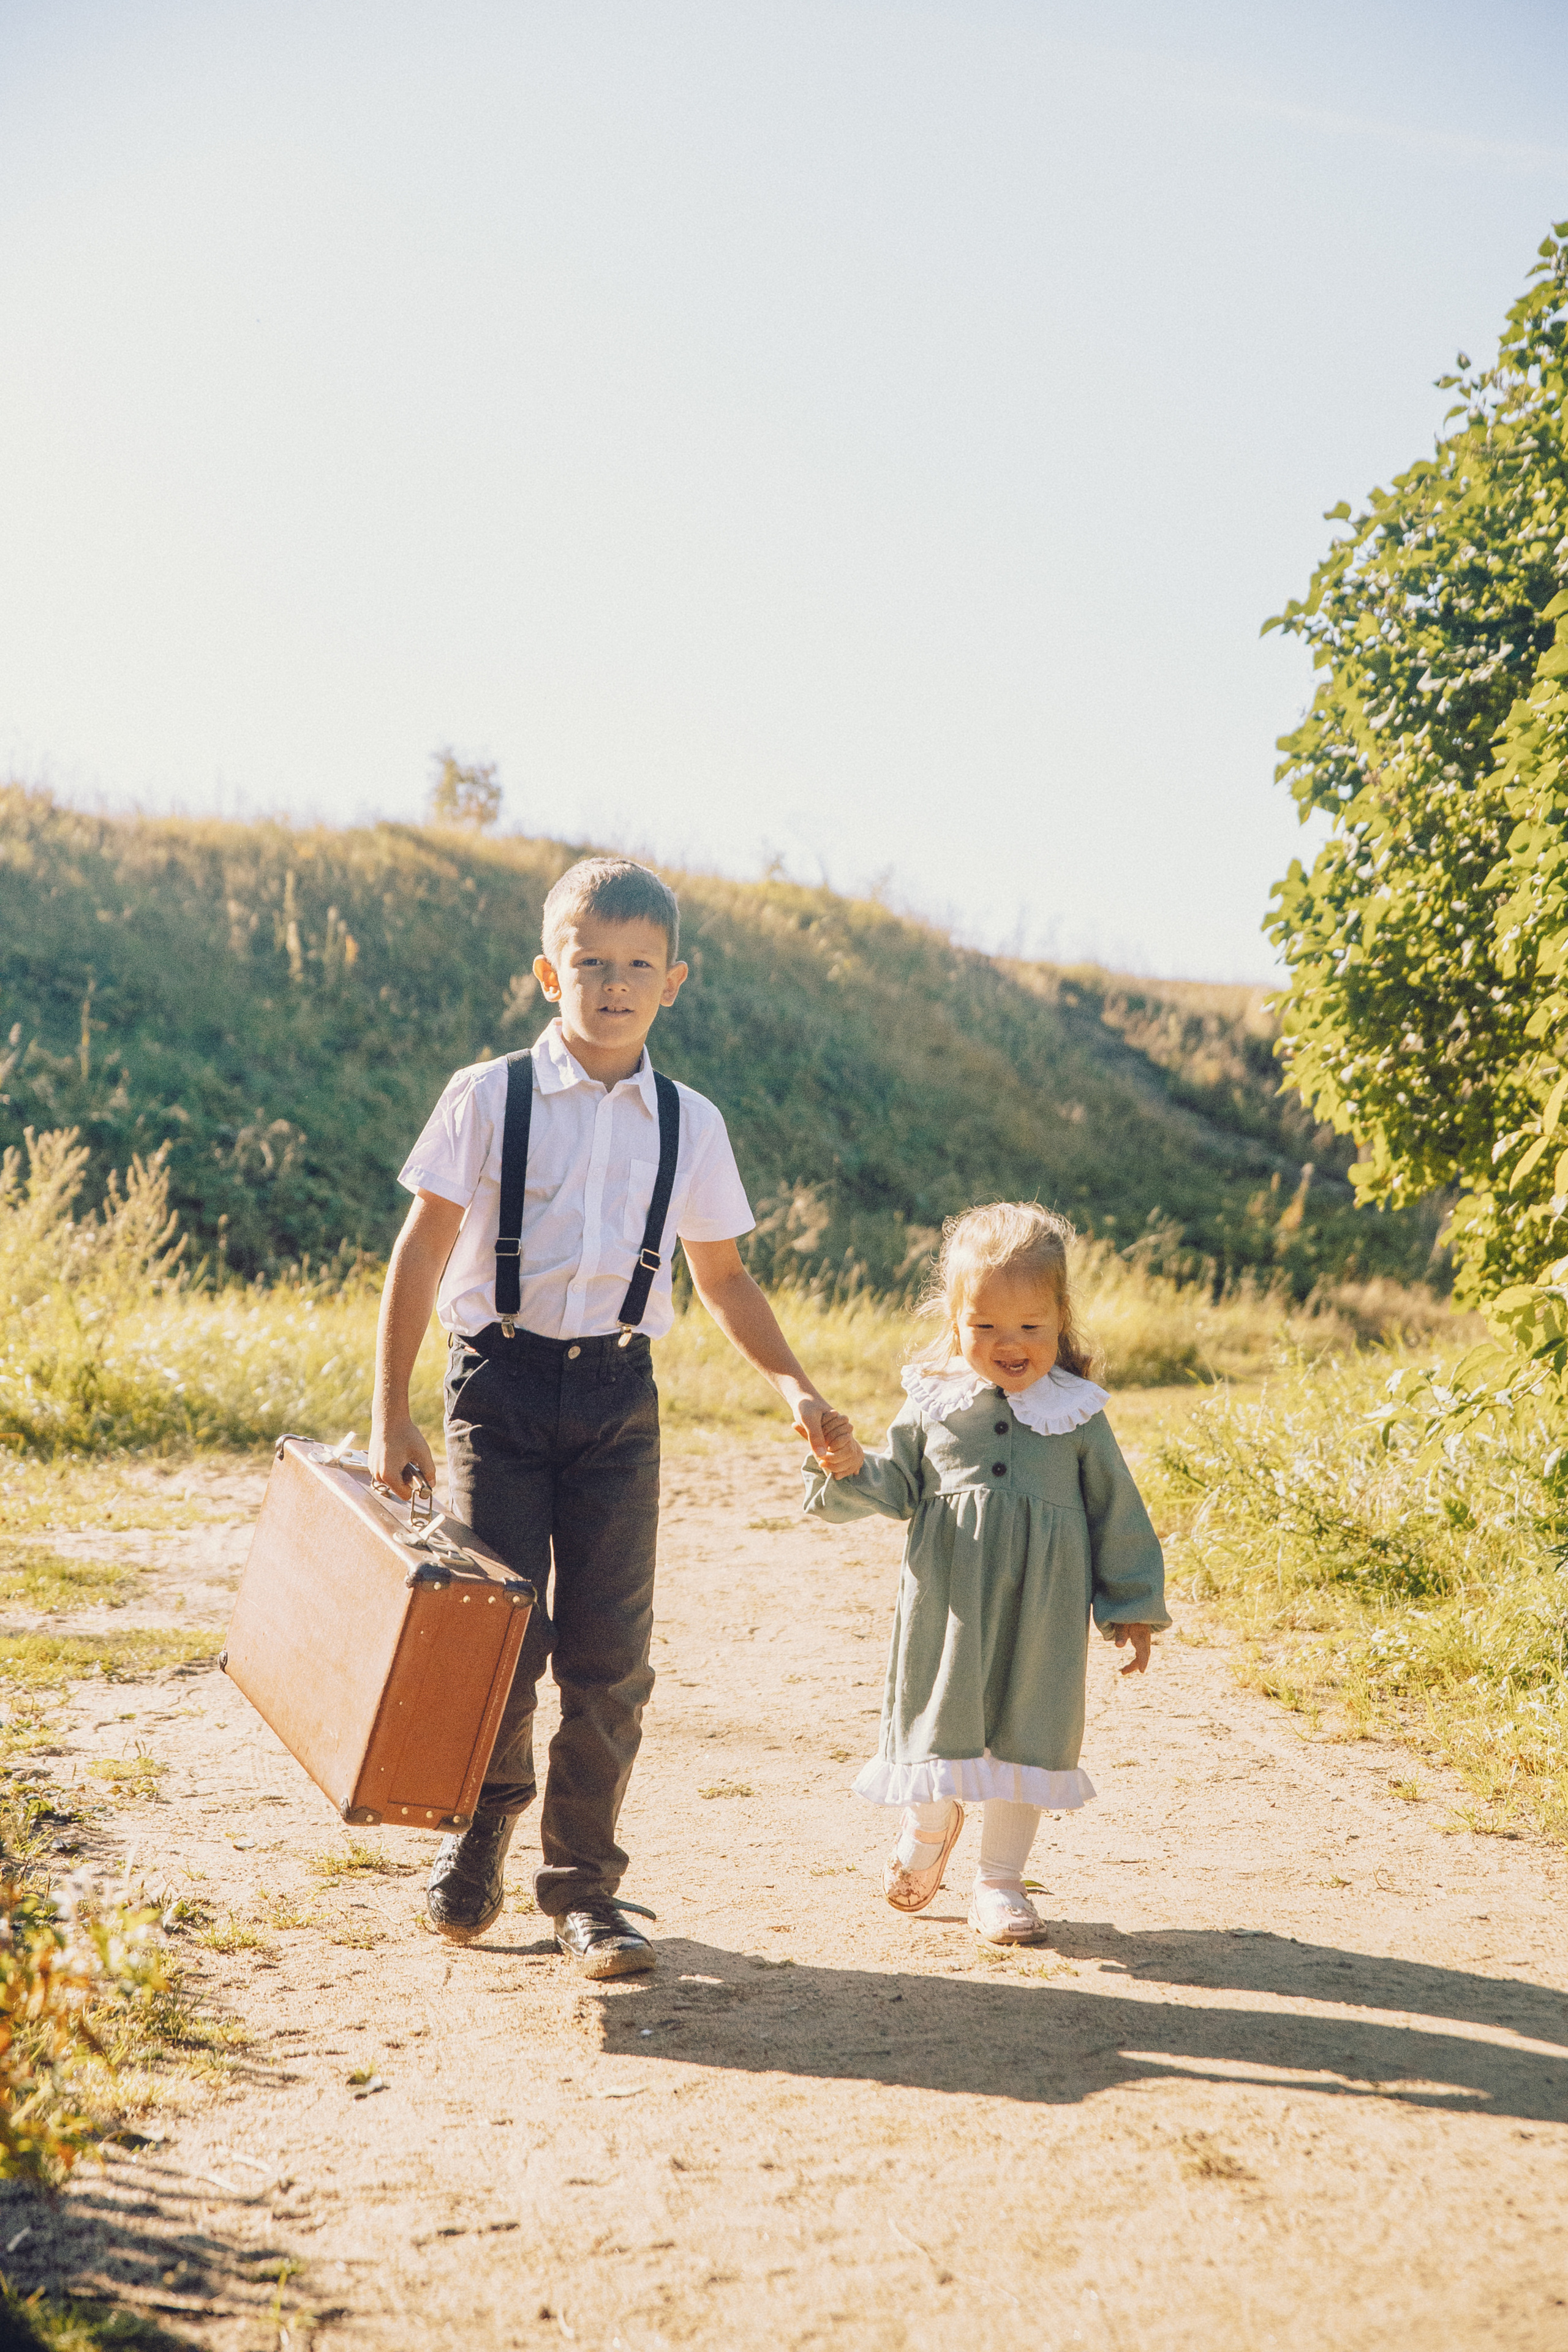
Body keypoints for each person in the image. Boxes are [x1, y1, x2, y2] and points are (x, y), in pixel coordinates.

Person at [370, 857, 835, 1978]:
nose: (614, 985)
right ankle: (479, 1833)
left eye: (638, 966)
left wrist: (795, 1385)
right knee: (498, 1640)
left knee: (608, 1660)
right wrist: (392, 1413)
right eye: (592, 964)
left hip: (620, 1399)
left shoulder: (691, 1121)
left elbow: (722, 1278)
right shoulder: (488, 1096)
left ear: (676, 981)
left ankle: (585, 1889)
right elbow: (423, 1248)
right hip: (499, 1389)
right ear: (549, 973)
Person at [804, 1200, 1168, 1945]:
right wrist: (847, 1464)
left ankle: (999, 1883)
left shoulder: (1076, 1414)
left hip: (1045, 1612)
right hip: (948, 1605)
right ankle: (928, 1830)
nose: (1010, 1345)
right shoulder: (933, 1402)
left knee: (1028, 1735)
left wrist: (1131, 1604)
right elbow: (895, 1485)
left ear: (1060, 1320)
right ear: (954, 1322)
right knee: (938, 1723)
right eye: (986, 1328)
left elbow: (1116, 1512)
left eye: (1030, 1328)